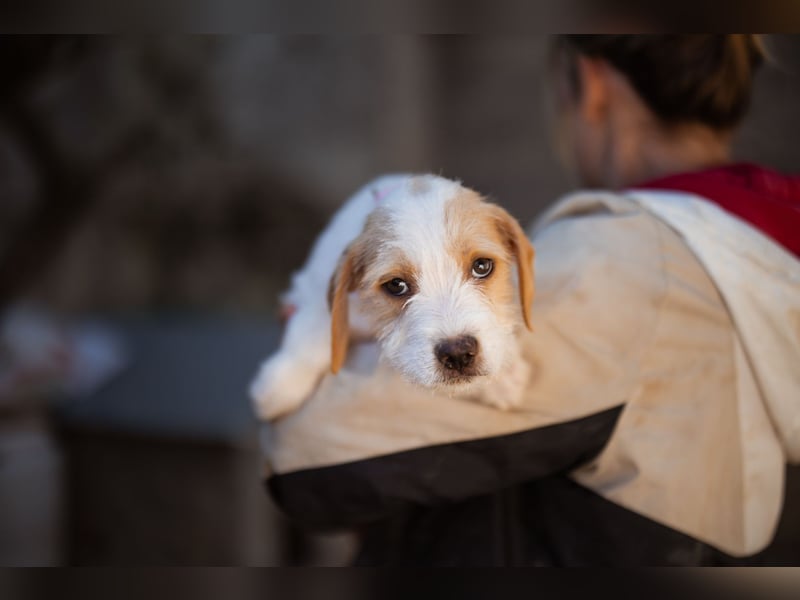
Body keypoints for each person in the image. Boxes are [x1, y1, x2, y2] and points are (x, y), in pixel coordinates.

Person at [261, 35, 800, 566]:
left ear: (591, 86)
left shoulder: (615, 258)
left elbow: (306, 456)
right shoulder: (762, 243)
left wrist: (332, 343)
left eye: (482, 269)